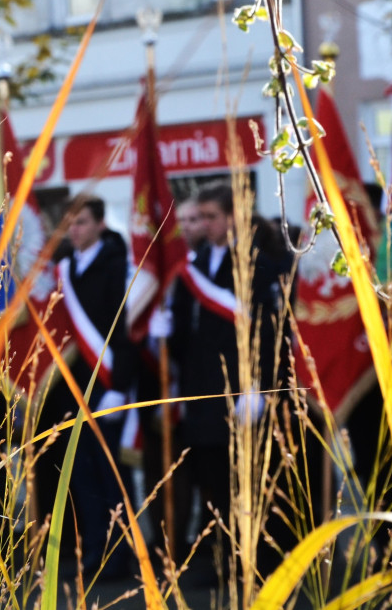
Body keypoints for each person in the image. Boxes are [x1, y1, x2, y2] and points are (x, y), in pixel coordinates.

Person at [180, 183, 290, 581]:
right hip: (204, 388)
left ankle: (260, 559)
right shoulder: (198, 261)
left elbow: (268, 326)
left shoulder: (258, 258)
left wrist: (259, 384)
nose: (206, 225)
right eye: (202, 217)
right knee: (213, 479)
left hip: (244, 386)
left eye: (212, 217)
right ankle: (225, 558)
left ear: (234, 216)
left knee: (249, 477)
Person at [35, 195, 139, 582]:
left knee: (111, 476)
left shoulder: (117, 265)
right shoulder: (61, 269)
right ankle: (93, 551)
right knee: (79, 476)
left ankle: (120, 556)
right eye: (69, 224)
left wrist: (121, 385)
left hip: (108, 384)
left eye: (80, 223)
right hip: (70, 387)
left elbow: (125, 329)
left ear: (99, 224)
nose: (73, 231)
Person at [142, 196, 202, 567]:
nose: (191, 226)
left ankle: (198, 546)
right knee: (159, 473)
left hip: (196, 388)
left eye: (198, 218)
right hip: (156, 388)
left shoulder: (202, 268)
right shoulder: (170, 267)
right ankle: (169, 544)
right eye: (187, 220)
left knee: (200, 475)